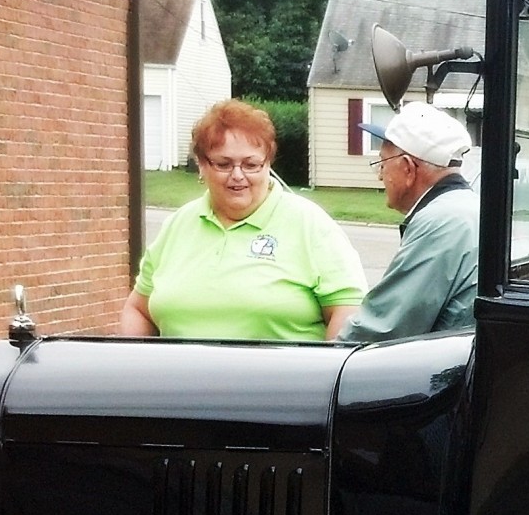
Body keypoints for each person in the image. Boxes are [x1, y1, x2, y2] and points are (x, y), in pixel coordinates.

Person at [121, 100, 363, 340]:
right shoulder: (177, 225)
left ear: (268, 163)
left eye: (251, 164)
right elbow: (139, 310)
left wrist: (323, 373)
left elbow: (348, 311)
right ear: (202, 166)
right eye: (223, 164)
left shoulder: (310, 224)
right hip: (179, 378)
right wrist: (134, 364)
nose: (238, 176)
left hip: (280, 378)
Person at [336, 101, 479, 344]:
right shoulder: (464, 206)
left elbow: (383, 329)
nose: (380, 175)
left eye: (382, 163)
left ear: (408, 168)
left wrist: (329, 359)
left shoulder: (440, 221)